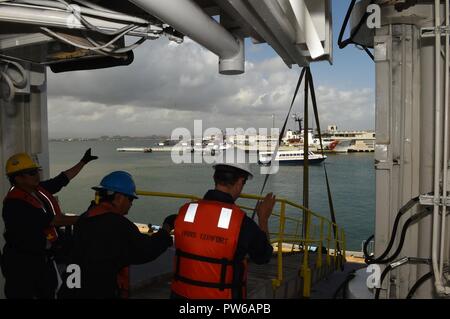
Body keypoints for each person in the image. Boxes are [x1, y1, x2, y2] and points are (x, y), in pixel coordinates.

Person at [59, 171, 175, 299]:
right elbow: (146, 250)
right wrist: (166, 229)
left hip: (71, 289)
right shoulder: (117, 224)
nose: (131, 203)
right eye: (130, 198)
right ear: (119, 197)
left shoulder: (84, 218)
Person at [1, 149, 98, 299]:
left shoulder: (37, 190)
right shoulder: (15, 203)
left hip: (42, 259)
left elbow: (63, 178)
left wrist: (83, 162)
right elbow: (53, 220)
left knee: (49, 291)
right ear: (18, 178)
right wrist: (88, 217)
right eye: (32, 172)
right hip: (21, 264)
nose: (37, 175)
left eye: (36, 171)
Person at [170, 163, 276, 299]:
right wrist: (263, 219)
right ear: (240, 182)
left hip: (180, 295)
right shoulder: (242, 223)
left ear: (214, 177)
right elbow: (263, 256)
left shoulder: (184, 211)